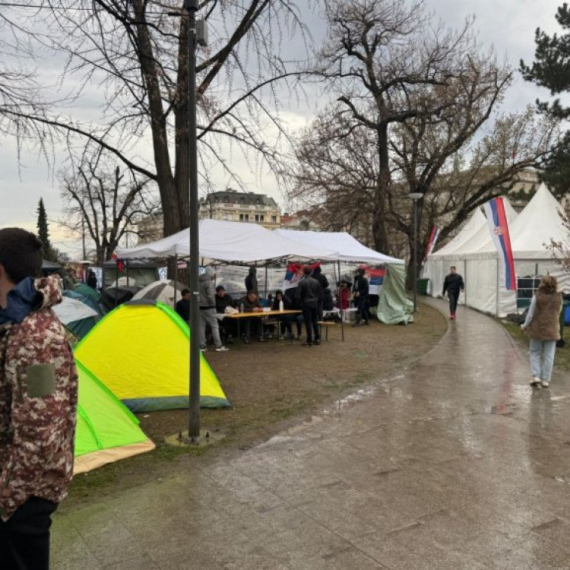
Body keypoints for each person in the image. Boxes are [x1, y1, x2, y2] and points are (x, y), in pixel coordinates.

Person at [0, 228, 78, 570]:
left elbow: (41, 430)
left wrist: (7, 496)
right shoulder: (14, 321)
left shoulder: (35, 336)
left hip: (23, 494)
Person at [521, 276, 563, 388]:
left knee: (535, 352)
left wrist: (524, 326)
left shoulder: (537, 296)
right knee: (549, 355)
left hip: (537, 328)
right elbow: (559, 312)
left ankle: (536, 376)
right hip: (552, 328)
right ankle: (546, 379)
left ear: (542, 284)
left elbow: (530, 314)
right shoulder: (559, 297)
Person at [198, 267, 228, 352]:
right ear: (211, 274)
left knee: (201, 327)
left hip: (199, 307)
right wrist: (213, 304)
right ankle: (218, 345)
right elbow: (211, 295)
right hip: (209, 307)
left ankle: (202, 346)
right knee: (214, 326)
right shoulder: (209, 283)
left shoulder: (197, 281)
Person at [296, 266, 323, 346]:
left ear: (304, 272)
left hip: (306, 303)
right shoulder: (316, 281)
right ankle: (317, 338)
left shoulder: (302, 282)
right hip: (314, 303)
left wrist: (300, 302)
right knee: (314, 321)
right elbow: (319, 293)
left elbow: (297, 296)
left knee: (308, 322)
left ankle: (309, 339)